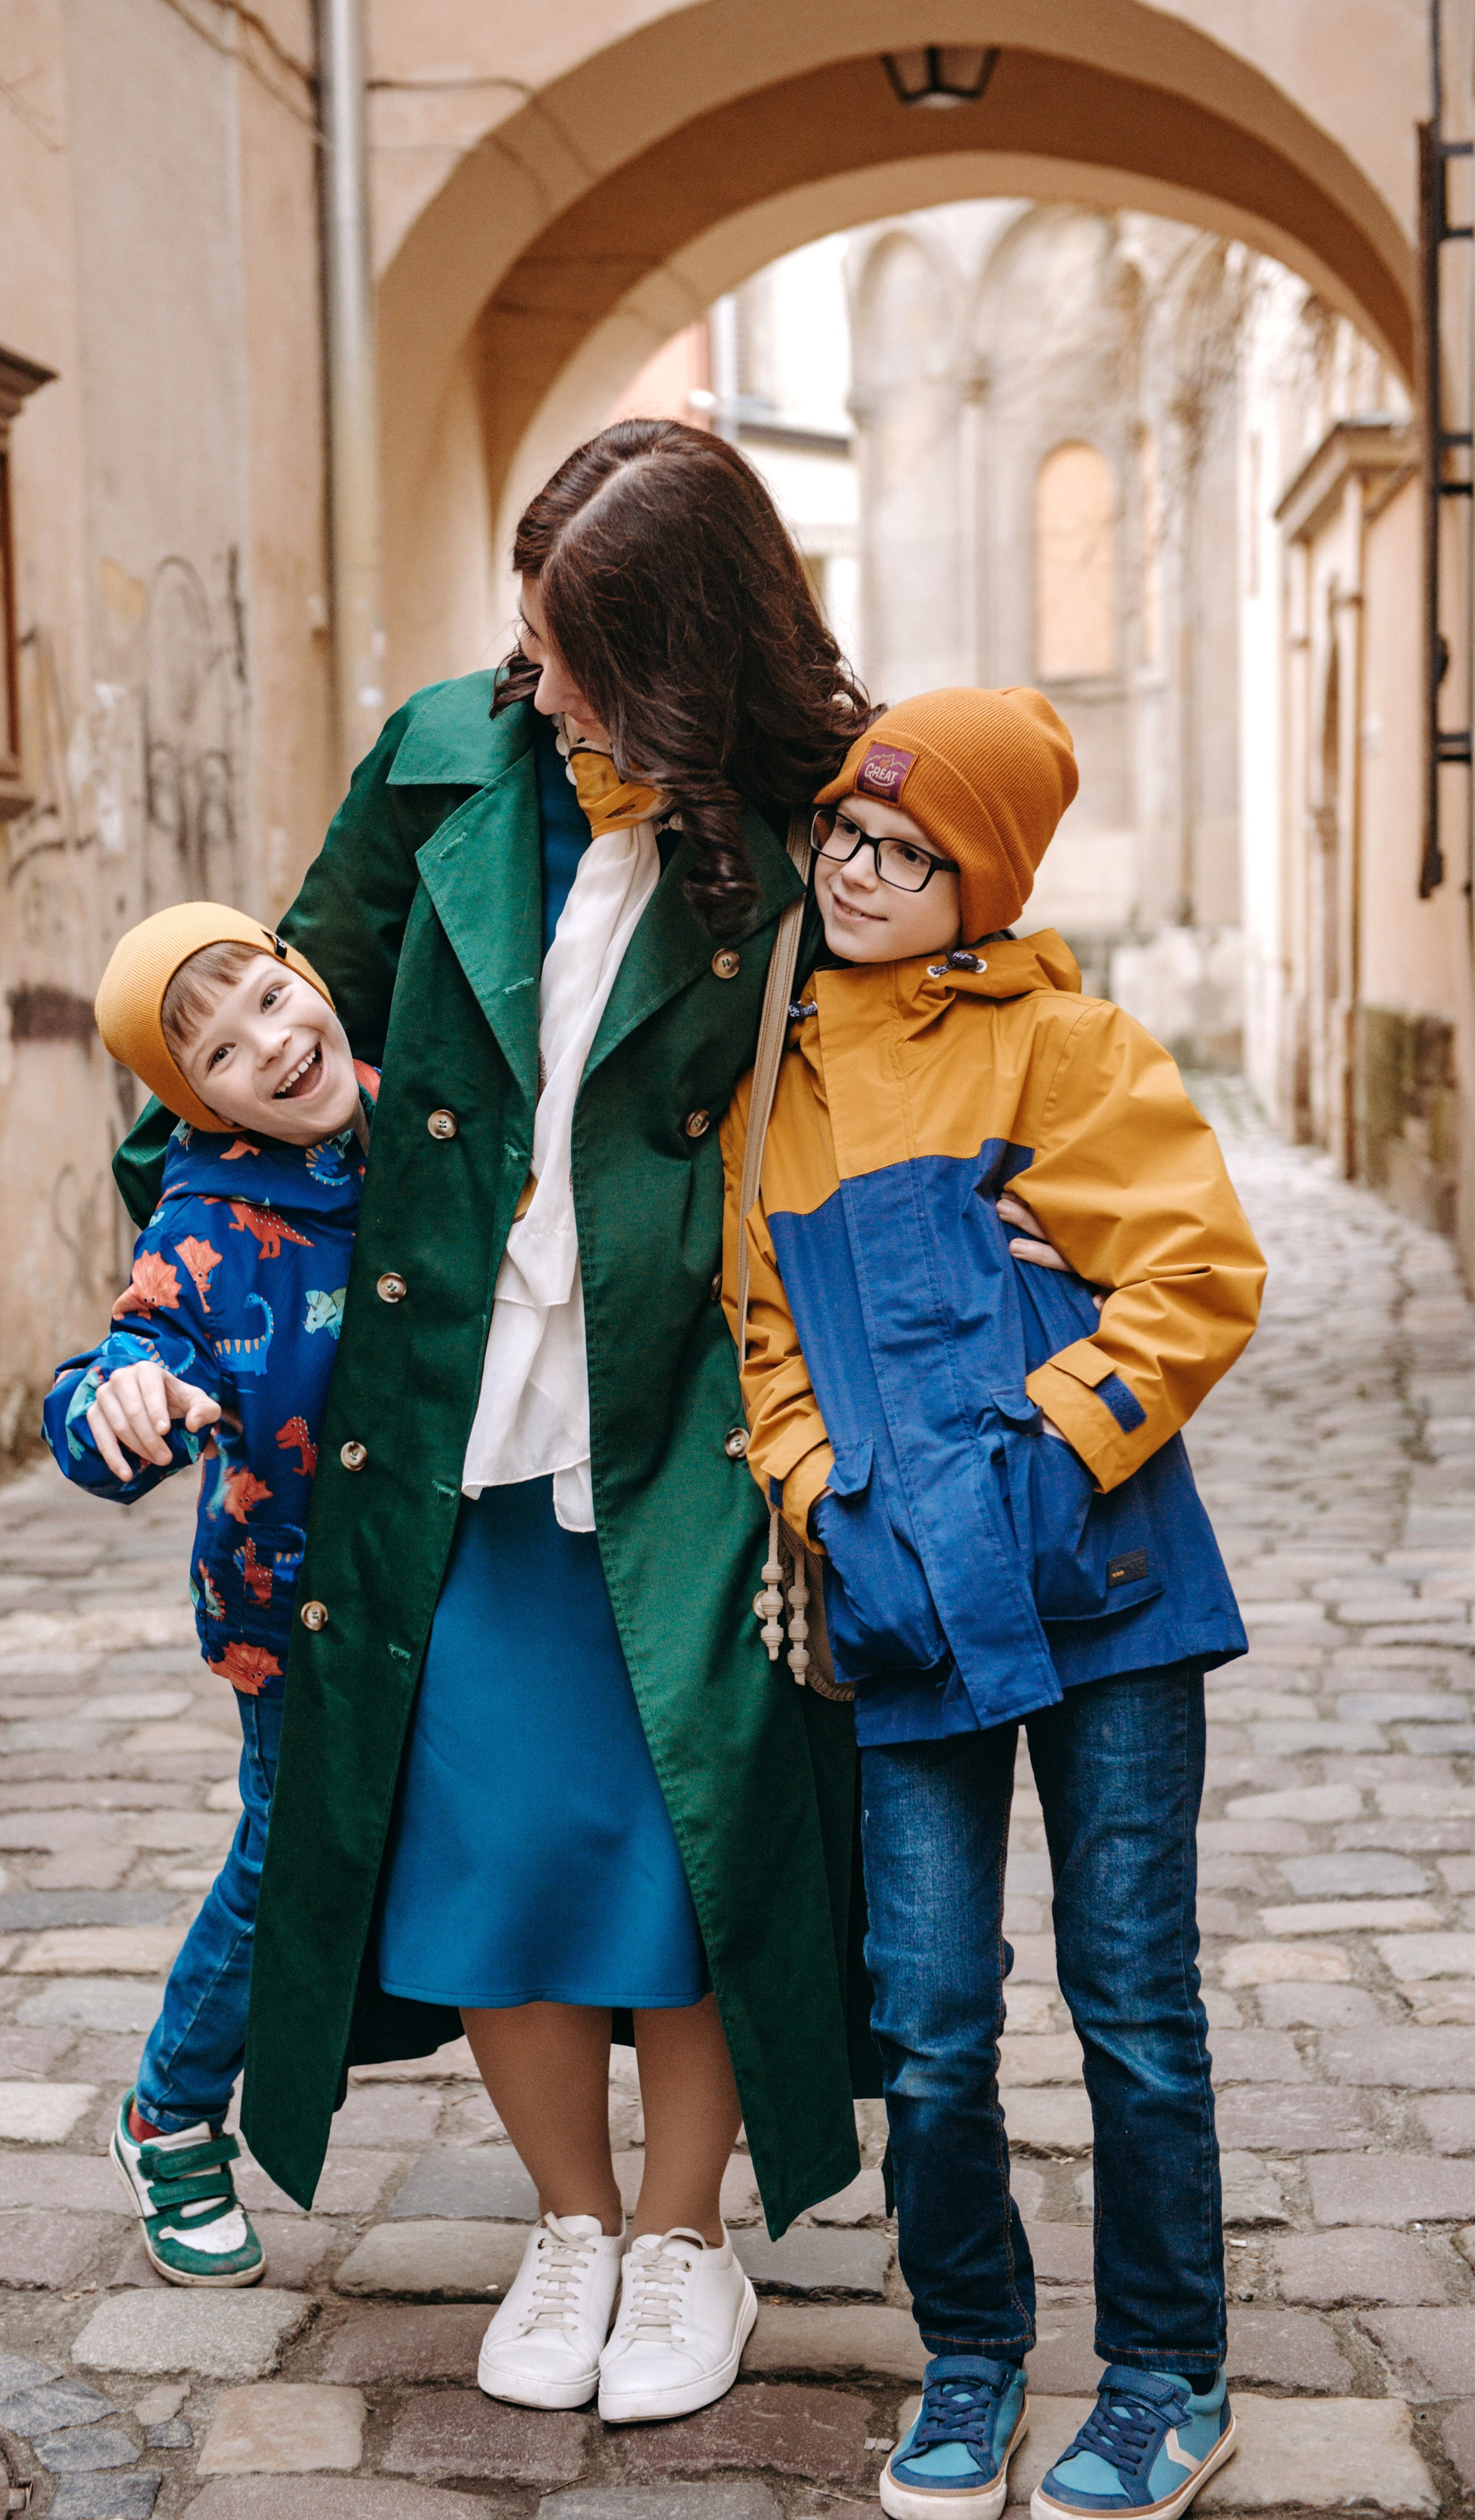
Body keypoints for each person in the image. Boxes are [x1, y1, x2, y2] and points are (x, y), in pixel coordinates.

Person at [108, 421, 887, 2424]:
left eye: (570, 649)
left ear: (679, 653)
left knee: (691, 1842)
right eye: (524, 638)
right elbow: (255, 1016)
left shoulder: (813, 828)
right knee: (491, 1845)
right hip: (440, 1416)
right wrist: (198, 1290)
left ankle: (685, 2237)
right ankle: (565, 2223)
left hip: (693, 1421)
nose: (534, 681)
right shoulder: (445, 755)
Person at [722, 689, 1267, 2520]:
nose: (862, 875)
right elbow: (767, 1339)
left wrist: (1052, 1443)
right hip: (901, 1611)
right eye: (846, 838)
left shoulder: (1068, 1045)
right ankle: (968, 2349)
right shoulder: (779, 1083)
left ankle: (1168, 2374)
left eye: (911, 852)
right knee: (933, 2013)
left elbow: (1195, 1269)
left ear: (987, 878)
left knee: (1132, 2004)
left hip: (1105, 1589)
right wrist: (821, 1492)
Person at [43, 904, 376, 2286]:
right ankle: (170, 2114)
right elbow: (110, 1373)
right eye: (218, 1052)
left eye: (264, 998)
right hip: (289, 1605)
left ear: (305, 976)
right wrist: (125, 1399)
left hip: (451, 1573)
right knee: (286, 1862)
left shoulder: (433, 1114)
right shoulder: (206, 1227)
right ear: (195, 1101)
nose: (269, 1046)